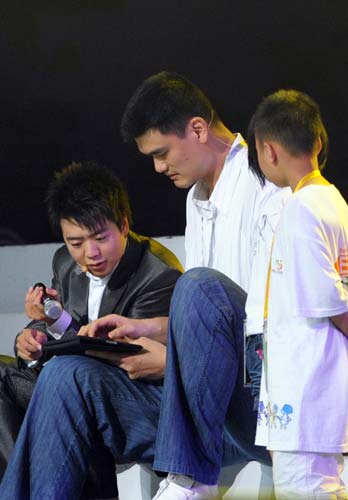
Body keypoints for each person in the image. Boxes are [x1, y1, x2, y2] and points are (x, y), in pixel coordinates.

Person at [0, 72, 292, 500]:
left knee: (197, 284)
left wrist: (175, 357)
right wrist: (149, 330)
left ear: (196, 129)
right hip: (189, 409)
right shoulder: (197, 201)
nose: (157, 168)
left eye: (161, 153)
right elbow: (203, 322)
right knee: (66, 375)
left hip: (252, 408)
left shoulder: (265, 187)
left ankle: (190, 475)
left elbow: (270, 323)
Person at [0, 161, 182, 499]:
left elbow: (118, 357)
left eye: (100, 238)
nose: (90, 253)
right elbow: (62, 322)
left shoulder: (158, 275)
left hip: (127, 394)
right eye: (76, 242)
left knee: (69, 379)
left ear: (124, 225)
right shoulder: (66, 262)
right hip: (73, 378)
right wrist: (33, 336)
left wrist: (57, 327)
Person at [249, 89, 348, 499]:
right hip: (310, 393)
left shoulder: (302, 209)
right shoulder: (334, 201)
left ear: (268, 151)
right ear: (318, 141)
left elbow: (331, 305)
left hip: (307, 394)